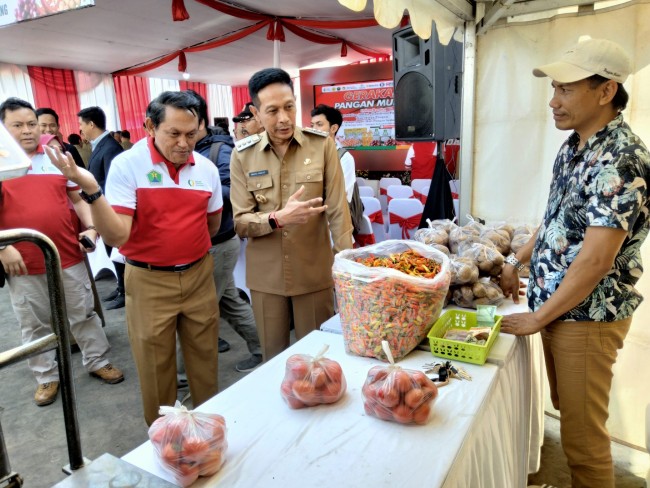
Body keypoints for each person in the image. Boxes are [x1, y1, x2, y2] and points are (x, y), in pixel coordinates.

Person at [500, 38, 649, 488]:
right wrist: (515, 259)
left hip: (586, 316)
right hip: (559, 308)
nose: (553, 101)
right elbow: (556, 219)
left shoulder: (621, 158)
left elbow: (596, 260)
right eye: (554, 89)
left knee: (584, 445)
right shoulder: (575, 146)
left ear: (606, 92)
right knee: (571, 416)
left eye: (565, 89)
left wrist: (537, 317)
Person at [46, 91, 223, 426]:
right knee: (156, 367)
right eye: (174, 133)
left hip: (199, 274)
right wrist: (91, 190)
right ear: (149, 127)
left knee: (205, 361)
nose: (184, 143)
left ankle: (207, 430)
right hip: (149, 279)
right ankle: (166, 440)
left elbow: (211, 224)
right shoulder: (128, 165)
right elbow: (116, 236)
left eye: (192, 133)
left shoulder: (207, 169)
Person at [0, 98, 124, 407]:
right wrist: (3, 247)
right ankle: (47, 377)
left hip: (66, 254)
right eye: (18, 125)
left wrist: (92, 228)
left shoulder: (57, 157)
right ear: (4, 128)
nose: (27, 131)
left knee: (82, 313)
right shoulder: (2, 164)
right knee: (35, 324)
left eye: (32, 124)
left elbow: (80, 199)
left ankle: (97, 361)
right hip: (23, 264)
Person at [230, 68, 353, 361]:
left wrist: (348, 267)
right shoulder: (243, 155)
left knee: (320, 360)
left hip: (313, 273)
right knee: (273, 360)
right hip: (267, 279)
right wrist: (277, 218)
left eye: (289, 107)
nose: (283, 118)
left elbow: (338, 210)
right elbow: (241, 222)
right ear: (255, 113)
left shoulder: (322, 145)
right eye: (272, 111)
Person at [184, 89, 262, 372]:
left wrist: (195, 195)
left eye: (188, 127)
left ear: (201, 122)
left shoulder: (220, 149)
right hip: (204, 240)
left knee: (200, 310)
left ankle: (187, 376)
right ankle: (263, 349)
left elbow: (233, 191)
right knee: (230, 301)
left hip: (218, 239)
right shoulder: (190, 150)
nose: (182, 137)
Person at [77, 106, 126, 309]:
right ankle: (120, 286)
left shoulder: (110, 147)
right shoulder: (100, 145)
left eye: (81, 124)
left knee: (117, 252)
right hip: (101, 211)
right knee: (111, 252)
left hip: (110, 213)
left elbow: (113, 184)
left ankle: (125, 290)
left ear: (91, 124)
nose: (80, 129)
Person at [310, 104, 356, 203]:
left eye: (319, 124)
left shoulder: (344, 158)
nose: (313, 129)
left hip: (334, 216)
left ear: (333, 128)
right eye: (312, 125)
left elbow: (341, 196)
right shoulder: (309, 156)